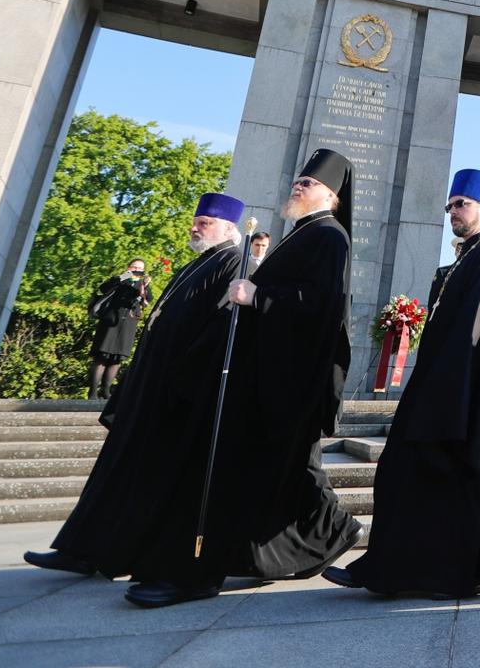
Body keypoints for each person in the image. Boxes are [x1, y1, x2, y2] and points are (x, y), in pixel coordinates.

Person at [78, 151, 361, 608]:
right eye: (298, 179)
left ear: (331, 195)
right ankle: (322, 538)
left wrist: (257, 294)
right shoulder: (304, 234)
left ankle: (196, 575)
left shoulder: (329, 236)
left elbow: (319, 307)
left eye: (307, 183)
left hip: (279, 382)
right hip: (262, 375)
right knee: (276, 478)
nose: (297, 186)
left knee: (234, 476)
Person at [24, 195, 246, 578]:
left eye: (205, 222)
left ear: (228, 228)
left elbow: (218, 330)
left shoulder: (230, 263)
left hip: (173, 389)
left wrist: (181, 378)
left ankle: (108, 553)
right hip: (150, 384)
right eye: (195, 221)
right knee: (115, 468)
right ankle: (81, 549)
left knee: (139, 477)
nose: (195, 227)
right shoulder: (199, 262)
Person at [327, 169, 480, 598]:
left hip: (458, 399)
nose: (452, 211)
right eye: (450, 205)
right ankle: (390, 567)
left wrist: (444, 400)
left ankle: (436, 574)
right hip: (438, 391)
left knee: (426, 478)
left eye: (461, 205)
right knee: (401, 473)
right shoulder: (464, 259)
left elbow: (472, 337)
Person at [86, 259, 151, 399]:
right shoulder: (120, 279)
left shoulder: (143, 284)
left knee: (116, 359)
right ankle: (92, 392)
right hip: (110, 321)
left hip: (128, 323)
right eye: (135, 266)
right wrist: (124, 276)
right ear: (129, 267)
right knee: (101, 357)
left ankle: (106, 390)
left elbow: (148, 300)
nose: (137, 269)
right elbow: (103, 288)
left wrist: (144, 288)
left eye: (140, 268)